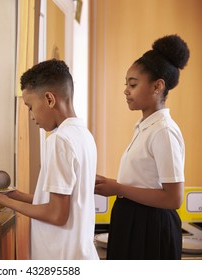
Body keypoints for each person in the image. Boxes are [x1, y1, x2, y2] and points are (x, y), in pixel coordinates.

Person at [0, 59, 99, 260]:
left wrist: (1, 200)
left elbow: (56, 215)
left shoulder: (60, 141)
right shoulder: (82, 134)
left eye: (30, 106)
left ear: (49, 99)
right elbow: (63, 202)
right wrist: (14, 194)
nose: (31, 116)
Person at [95, 34, 190, 259]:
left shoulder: (163, 131)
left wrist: (118, 188)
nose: (126, 90)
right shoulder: (145, 127)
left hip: (151, 227)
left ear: (158, 86)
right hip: (134, 221)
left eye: (133, 84)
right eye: (126, 84)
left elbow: (174, 198)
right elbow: (143, 180)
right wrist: (108, 184)